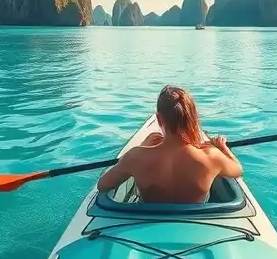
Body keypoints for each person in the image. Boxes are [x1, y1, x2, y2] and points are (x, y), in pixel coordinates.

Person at [96, 85, 243, 203]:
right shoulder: (212, 157)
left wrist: (143, 146)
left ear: (159, 118)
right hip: (194, 222)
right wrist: (222, 148)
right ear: (193, 117)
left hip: (147, 221)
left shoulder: (136, 156)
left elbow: (102, 184)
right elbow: (238, 170)